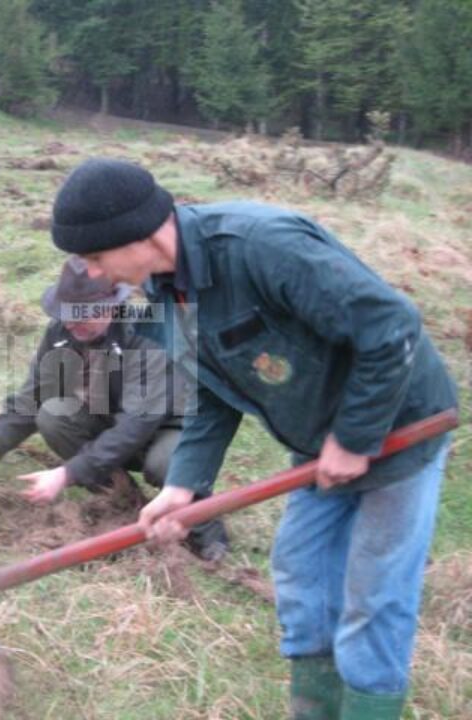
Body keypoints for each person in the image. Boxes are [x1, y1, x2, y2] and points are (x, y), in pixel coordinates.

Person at [48, 158, 458, 719]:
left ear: (139, 234)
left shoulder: (260, 246)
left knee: (374, 595)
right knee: (301, 572)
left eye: (97, 257)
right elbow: (213, 394)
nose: (99, 274)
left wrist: (356, 436)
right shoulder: (168, 297)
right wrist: (183, 488)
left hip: (401, 428)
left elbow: (391, 327)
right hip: (320, 442)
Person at [0, 258, 230, 561]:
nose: (71, 324)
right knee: (53, 415)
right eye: (66, 314)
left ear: (112, 305)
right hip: (111, 417)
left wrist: (66, 474)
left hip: (166, 426)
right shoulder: (63, 331)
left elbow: (134, 427)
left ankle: (206, 532)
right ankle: (124, 504)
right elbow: (33, 395)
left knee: (165, 462)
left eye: (82, 315)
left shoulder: (150, 334)